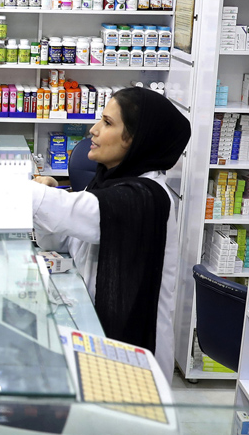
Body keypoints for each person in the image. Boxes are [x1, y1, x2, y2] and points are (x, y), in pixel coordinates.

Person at [29, 87, 190, 379]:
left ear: (136, 140)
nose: (93, 130)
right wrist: (47, 195)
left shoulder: (146, 197)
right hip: (92, 329)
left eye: (107, 122)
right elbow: (62, 240)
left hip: (132, 359)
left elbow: (73, 212)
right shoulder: (108, 181)